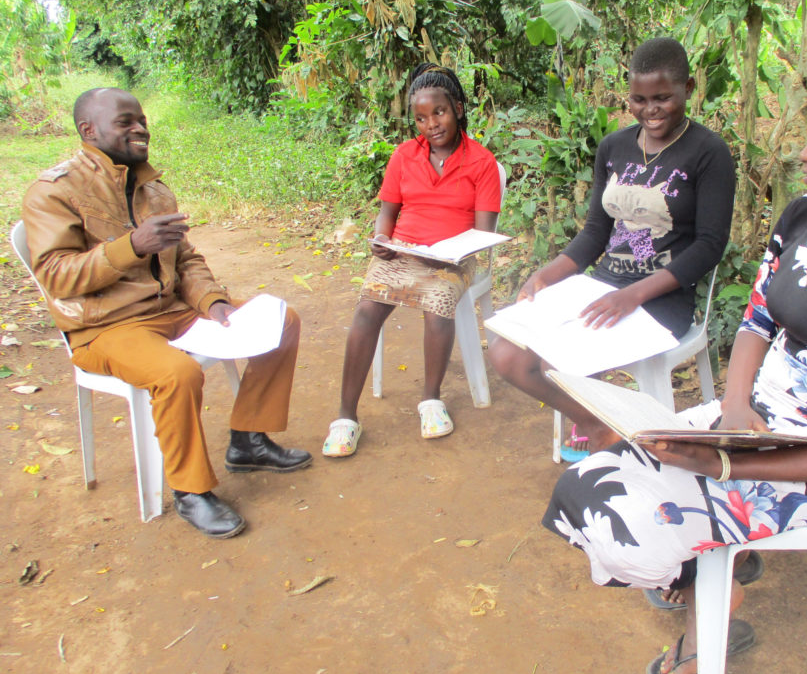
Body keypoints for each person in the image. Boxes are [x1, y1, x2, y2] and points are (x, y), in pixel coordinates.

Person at [541, 57, 807, 674]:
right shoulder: (805, 218)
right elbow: (758, 323)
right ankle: (708, 581)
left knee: (623, 533)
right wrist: (732, 410)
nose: (803, 154)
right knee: (579, 487)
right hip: (742, 426)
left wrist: (727, 465)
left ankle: (710, 596)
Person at [21, 87, 312, 539]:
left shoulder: (154, 189)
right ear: (88, 130)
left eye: (141, 119)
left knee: (281, 321)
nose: (140, 128)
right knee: (177, 373)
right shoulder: (53, 193)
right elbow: (57, 276)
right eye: (125, 122)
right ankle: (190, 491)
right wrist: (132, 247)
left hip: (172, 309)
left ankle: (248, 440)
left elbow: (187, 260)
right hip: (105, 327)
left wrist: (212, 302)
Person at [487, 37, 734, 461]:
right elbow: (596, 234)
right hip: (601, 287)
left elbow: (710, 246)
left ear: (689, 88)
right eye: (639, 99)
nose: (650, 110)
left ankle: (601, 431)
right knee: (506, 352)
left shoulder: (708, 153)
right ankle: (599, 423)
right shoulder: (614, 147)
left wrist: (632, 295)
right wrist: (547, 275)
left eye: (662, 98)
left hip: (661, 300)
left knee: (559, 355)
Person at [321, 63, 501, 458]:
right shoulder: (404, 156)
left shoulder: (482, 162)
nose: (431, 124)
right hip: (405, 251)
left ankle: (430, 401)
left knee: (438, 307)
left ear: (456, 107)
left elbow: (484, 235)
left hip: (455, 258)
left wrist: (456, 253)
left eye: (439, 112)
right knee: (367, 309)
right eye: (421, 118)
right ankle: (345, 418)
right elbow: (387, 212)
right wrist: (383, 238)